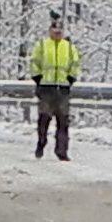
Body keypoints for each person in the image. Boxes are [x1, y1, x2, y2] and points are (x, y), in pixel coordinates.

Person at [29, 12, 80, 160]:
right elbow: (34, 62)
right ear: (50, 30)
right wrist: (37, 77)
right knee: (44, 119)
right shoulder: (42, 45)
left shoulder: (69, 47)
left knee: (63, 121)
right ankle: (41, 142)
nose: (57, 34)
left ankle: (62, 151)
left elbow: (74, 63)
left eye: (60, 31)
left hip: (63, 88)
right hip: (46, 88)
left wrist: (71, 78)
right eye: (54, 31)